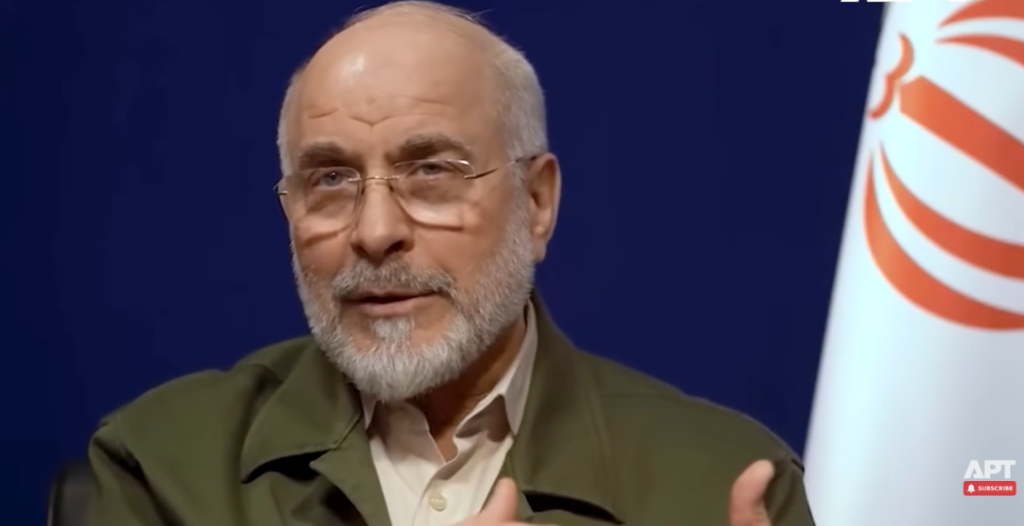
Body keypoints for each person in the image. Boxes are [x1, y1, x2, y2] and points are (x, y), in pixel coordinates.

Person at [86, 2, 816, 525]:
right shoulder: (162, 467)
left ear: (536, 202)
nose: (375, 232)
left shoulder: (716, 483)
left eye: (431, 171)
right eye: (331, 179)